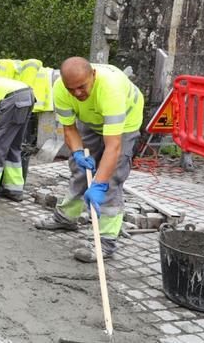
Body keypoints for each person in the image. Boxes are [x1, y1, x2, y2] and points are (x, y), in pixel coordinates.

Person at [34, 57, 144, 263]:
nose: (77, 93)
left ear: (93, 75)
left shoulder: (110, 90)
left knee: (111, 180)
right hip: (91, 119)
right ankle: (66, 218)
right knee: (79, 169)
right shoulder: (60, 89)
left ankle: (106, 242)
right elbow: (69, 128)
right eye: (71, 89)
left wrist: (99, 183)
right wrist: (77, 152)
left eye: (82, 87)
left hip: (125, 120)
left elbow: (113, 146)